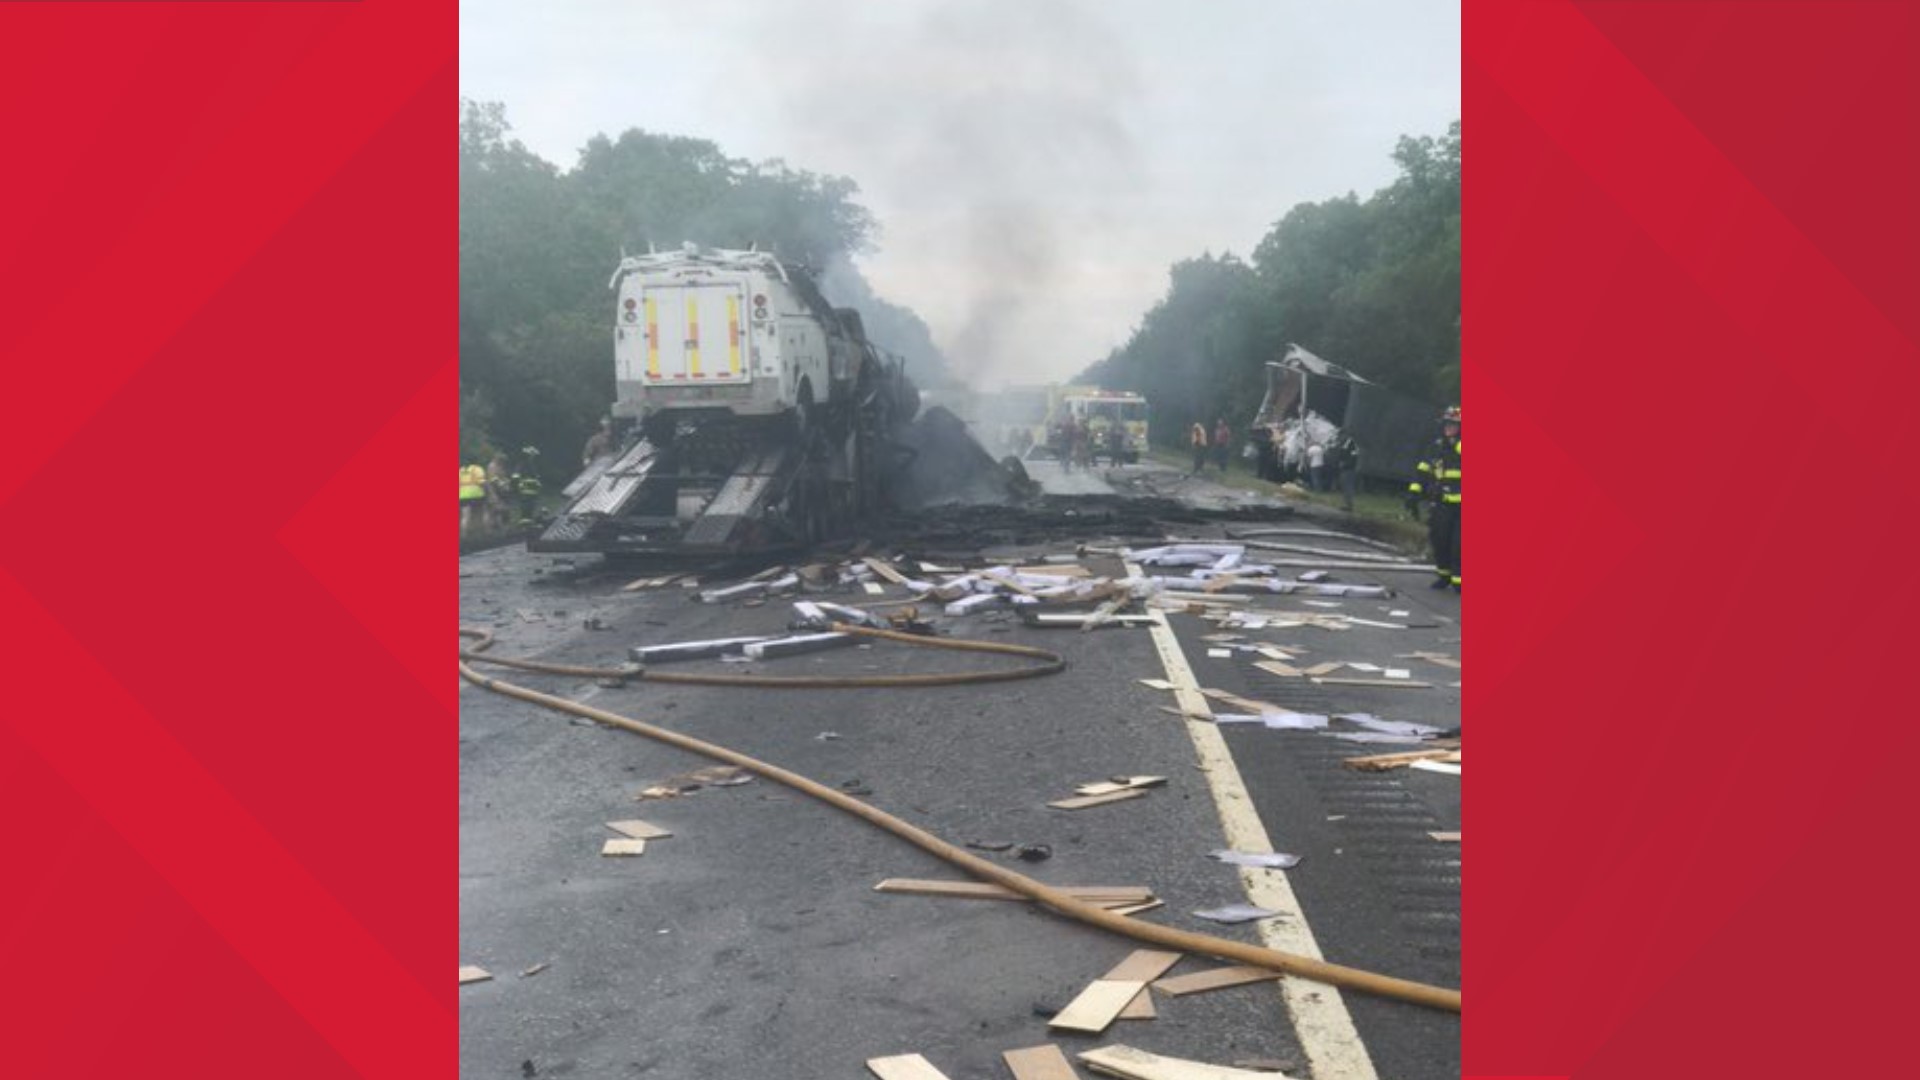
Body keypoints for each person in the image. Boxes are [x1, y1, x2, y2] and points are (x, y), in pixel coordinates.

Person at [1408, 406, 1461, 591]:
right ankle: (1444, 576)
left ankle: (1459, 580)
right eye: (1447, 424)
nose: (1449, 428)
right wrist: (1413, 493)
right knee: (1440, 540)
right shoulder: (1436, 446)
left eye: (1454, 425)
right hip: (1441, 504)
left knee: (1458, 545)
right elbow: (1423, 470)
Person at [1332, 432, 1360, 512]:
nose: (1340, 437)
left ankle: (1349, 505)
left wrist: (1345, 463)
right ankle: (1346, 504)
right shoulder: (1345, 444)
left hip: (1349, 469)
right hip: (1344, 469)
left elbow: (1354, 457)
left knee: (1348, 487)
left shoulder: (1351, 444)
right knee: (1345, 487)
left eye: (1341, 435)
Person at [459, 462, 488, 536]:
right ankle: (482, 532)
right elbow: (482, 482)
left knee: (465, 516)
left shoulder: (460, 471)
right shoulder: (477, 469)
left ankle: (464, 534)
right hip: (476, 494)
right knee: (480, 514)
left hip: (463, 495)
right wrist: (487, 491)